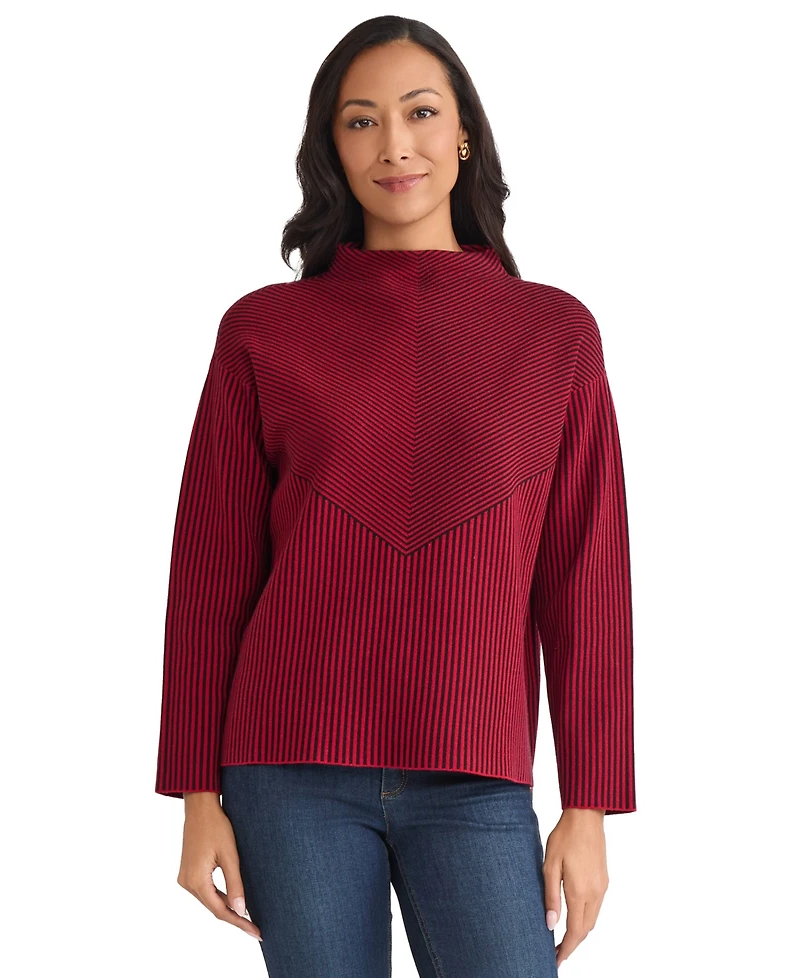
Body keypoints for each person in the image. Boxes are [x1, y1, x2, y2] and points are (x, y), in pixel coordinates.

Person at [155, 14, 636, 977]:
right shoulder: (263, 331)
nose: (394, 145)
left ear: (465, 135)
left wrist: (588, 807)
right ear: (331, 149)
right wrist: (195, 795)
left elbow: (586, 581)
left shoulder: (555, 334)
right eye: (361, 121)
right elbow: (210, 572)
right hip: (287, 768)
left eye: (420, 113)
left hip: (475, 770)